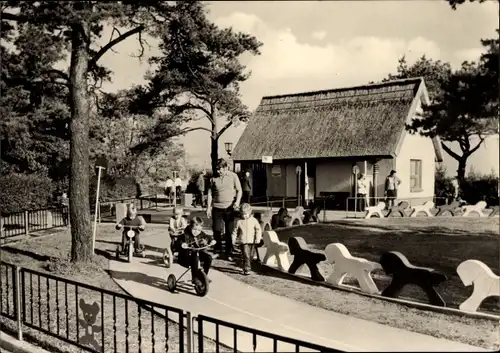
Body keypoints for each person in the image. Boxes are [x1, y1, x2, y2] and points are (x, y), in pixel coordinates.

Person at [206, 158, 242, 261]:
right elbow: (209, 193)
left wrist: (237, 202)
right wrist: (208, 207)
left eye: (220, 169)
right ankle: (217, 250)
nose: (218, 171)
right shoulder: (213, 179)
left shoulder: (233, 176)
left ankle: (229, 252)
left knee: (229, 232)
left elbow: (239, 190)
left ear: (226, 168)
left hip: (229, 208)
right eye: (217, 169)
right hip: (217, 208)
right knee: (217, 230)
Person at [231, 203, 262, 275]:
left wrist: (258, 238)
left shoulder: (254, 220)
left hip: (252, 241)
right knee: (246, 255)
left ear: (250, 212)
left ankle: (245, 264)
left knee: (250, 256)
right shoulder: (239, 221)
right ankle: (247, 269)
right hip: (243, 241)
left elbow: (258, 229)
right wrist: (233, 239)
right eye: (242, 214)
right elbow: (235, 231)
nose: (244, 216)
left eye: (245, 214)